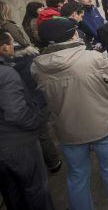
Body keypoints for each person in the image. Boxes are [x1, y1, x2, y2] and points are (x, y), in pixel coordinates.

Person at [32, 18, 108, 210]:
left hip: (67, 129)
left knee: (77, 175)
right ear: (73, 35)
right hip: (103, 124)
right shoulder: (92, 58)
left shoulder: (37, 66)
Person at [0, 30, 54, 210]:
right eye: (11, 42)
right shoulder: (6, 73)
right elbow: (16, 112)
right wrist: (36, 122)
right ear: (4, 46)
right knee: (35, 188)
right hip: (18, 143)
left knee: (12, 192)